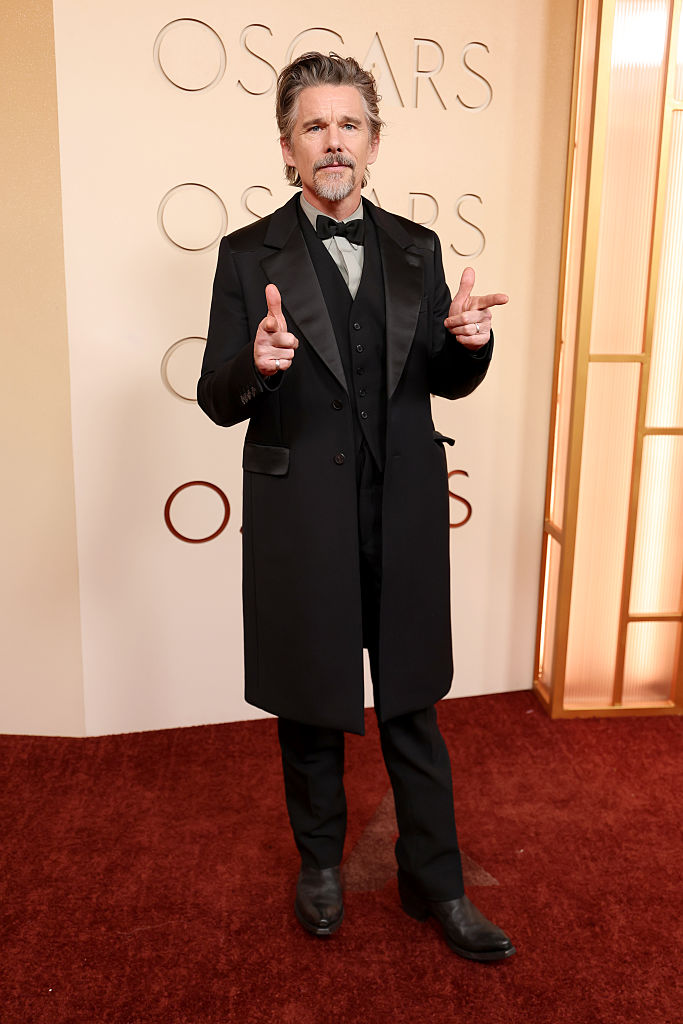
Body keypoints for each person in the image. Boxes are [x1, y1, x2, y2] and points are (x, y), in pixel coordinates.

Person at [198, 52, 514, 962]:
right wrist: (254, 367)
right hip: (305, 520)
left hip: (405, 508)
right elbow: (217, 396)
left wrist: (470, 343)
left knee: (412, 703)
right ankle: (321, 869)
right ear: (286, 146)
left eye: (349, 125)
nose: (332, 142)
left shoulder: (416, 246)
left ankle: (436, 883)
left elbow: (440, 382)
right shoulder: (244, 253)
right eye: (313, 126)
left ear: (372, 142)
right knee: (312, 702)